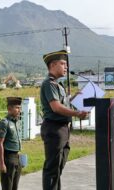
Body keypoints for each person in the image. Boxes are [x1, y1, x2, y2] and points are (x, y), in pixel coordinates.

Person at [40, 50, 88, 190]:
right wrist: (76, 113)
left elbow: (63, 103)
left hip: (62, 129)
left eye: (66, 64)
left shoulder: (57, 85)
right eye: (63, 64)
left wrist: (74, 98)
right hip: (54, 128)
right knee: (52, 169)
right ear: (53, 65)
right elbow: (56, 107)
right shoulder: (49, 84)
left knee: (58, 167)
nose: (66, 67)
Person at [0, 97, 22, 190]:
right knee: (7, 187)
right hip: (8, 159)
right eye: (17, 107)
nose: (19, 110)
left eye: (20, 107)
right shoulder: (4, 123)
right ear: (9, 109)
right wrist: (2, 163)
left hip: (16, 158)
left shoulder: (17, 122)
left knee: (15, 187)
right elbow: (0, 143)